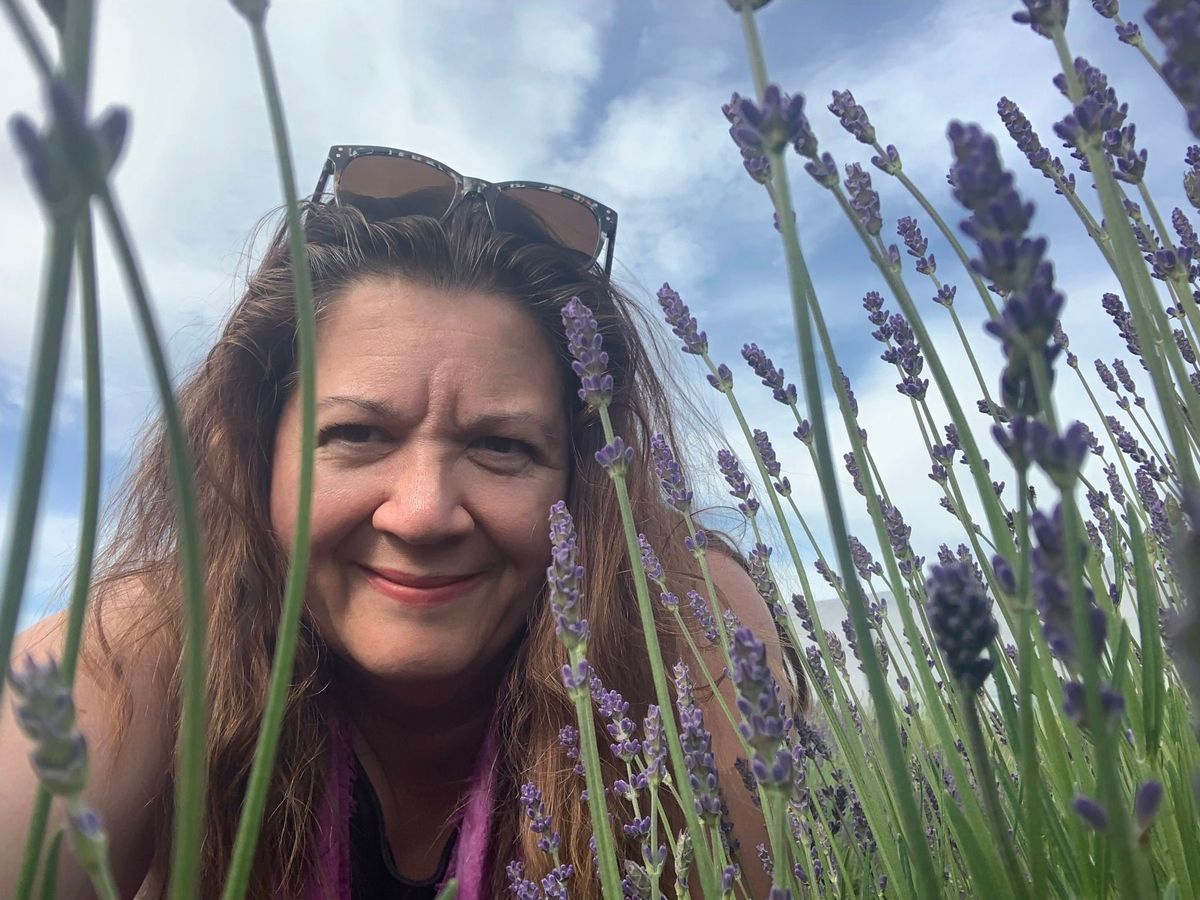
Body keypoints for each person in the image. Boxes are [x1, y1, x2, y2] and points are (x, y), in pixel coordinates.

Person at [1, 146, 802, 899]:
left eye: (501, 445)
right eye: (356, 435)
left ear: (586, 481)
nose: (422, 515)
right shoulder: (151, 646)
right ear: (256, 457)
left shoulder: (675, 618)